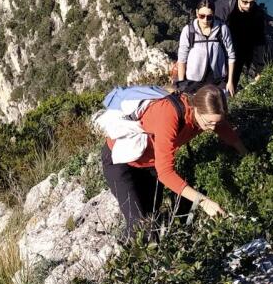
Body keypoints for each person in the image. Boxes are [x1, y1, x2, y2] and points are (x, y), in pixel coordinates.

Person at [102, 84, 248, 234]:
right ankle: (129, 252)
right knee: (139, 225)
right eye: (209, 123)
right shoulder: (169, 114)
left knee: (152, 218)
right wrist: (203, 202)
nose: (212, 127)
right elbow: (165, 173)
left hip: (150, 164)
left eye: (217, 122)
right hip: (121, 162)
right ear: (196, 108)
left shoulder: (208, 116)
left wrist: (247, 156)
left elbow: (227, 132)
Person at [214, 0, 267, 90]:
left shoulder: (257, 14)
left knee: (230, 91)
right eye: (245, 2)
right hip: (220, 53)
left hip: (241, 52)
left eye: (252, 2)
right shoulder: (223, 9)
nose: (248, 6)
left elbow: (259, 42)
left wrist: (259, 69)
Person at [178, 0, 237, 96]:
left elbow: (231, 56)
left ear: (213, 14)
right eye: (202, 16)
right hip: (194, 82)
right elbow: (182, 59)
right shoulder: (188, 31)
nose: (205, 20)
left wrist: (230, 81)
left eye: (209, 17)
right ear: (197, 13)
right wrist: (181, 84)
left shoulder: (222, 30)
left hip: (217, 81)